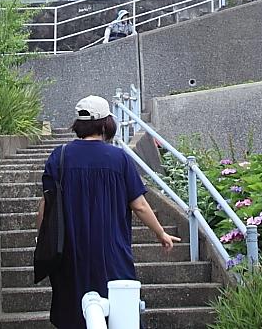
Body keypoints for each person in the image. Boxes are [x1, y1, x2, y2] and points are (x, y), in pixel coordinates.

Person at [35, 95, 179, 328]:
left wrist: (42, 237)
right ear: (105, 125)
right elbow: (139, 204)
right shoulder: (118, 158)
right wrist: (160, 233)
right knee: (120, 314)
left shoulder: (58, 157)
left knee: (73, 314)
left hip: (69, 253)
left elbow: (46, 203)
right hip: (112, 254)